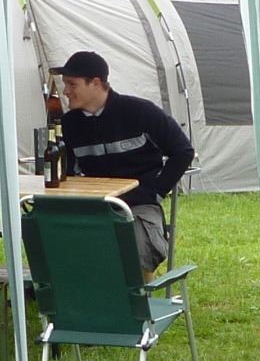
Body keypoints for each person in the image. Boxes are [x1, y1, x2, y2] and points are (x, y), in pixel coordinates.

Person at [56, 50, 196, 278]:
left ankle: (136, 296)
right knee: (51, 233)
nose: (65, 91)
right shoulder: (69, 123)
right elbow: (68, 171)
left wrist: (156, 192)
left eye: (72, 84)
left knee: (139, 243)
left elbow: (183, 151)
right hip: (94, 207)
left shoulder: (140, 112)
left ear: (96, 83)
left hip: (140, 207)